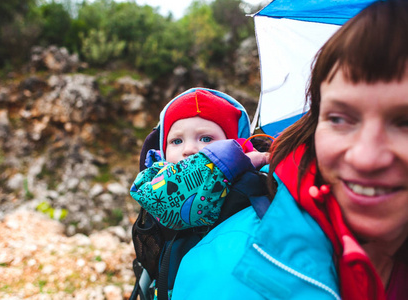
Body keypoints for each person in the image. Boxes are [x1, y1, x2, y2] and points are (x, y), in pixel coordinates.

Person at [172, 1, 408, 299]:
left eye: (404, 123)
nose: (365, 157)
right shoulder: (232, 273)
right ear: (313, 122)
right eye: (338, 118)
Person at [130, 87, 269, 230]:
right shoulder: (155, 179)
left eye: (206, 138)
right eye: (177, 141)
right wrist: (235, 161)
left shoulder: (256, 175)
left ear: (235, 143)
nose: (189, 149)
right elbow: (168, 200)